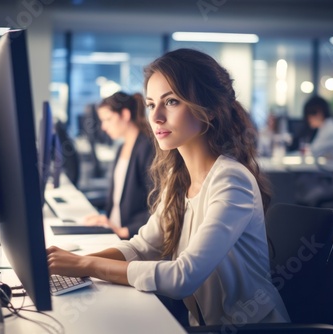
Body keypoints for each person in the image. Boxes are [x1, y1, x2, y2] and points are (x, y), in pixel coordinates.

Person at [47, 48, 290, 327]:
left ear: (209, 110)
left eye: (171, 101)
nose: (156, 117)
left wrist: (84, 266)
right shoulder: (179, 178)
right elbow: (141, 247)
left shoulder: (231, 181)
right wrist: (70, 263)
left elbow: (183, 278)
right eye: (151, 105)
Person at [83, 91, 155, 240]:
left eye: (108, 119)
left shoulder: (146, 148)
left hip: (130, 236)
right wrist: (105, 220)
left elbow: (157, 204)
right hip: (113, 231)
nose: (103, 127)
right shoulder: (121, 148)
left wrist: (126, 231)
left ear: (125, 115)